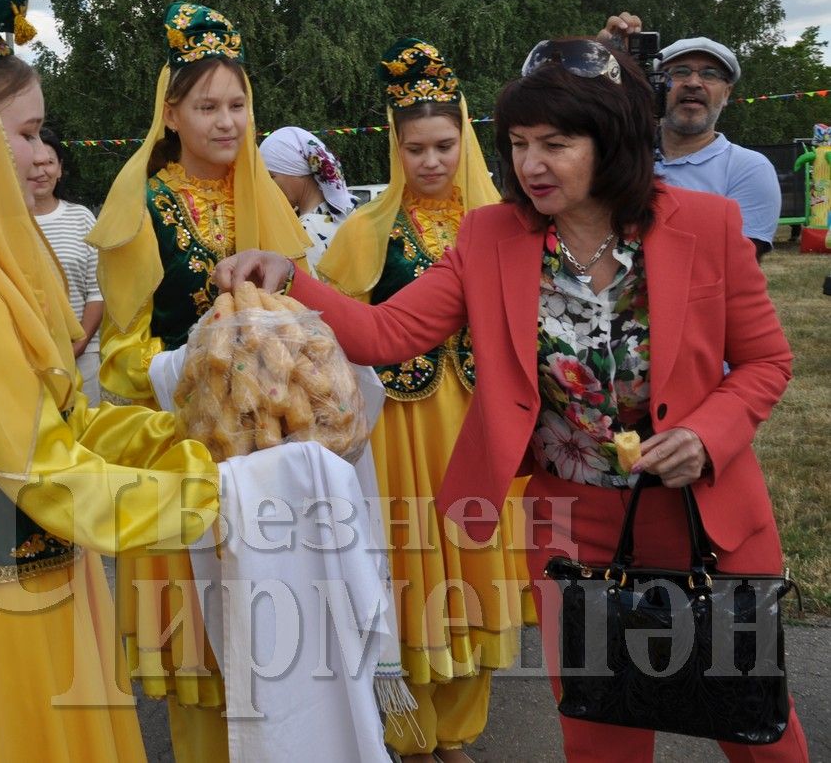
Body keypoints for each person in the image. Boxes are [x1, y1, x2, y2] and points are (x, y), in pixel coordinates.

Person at [213, 37, 809, 762]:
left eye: (555, 143)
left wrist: (709, 435)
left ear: (611, 139)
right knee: (600, 734)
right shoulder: (490, 235)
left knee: (753, 726)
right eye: (519, 143)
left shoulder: (704, 225)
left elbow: (763, 362)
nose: (530, 164)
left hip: (707, 518)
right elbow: (385, 332)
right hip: (576, 526)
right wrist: (289, 277)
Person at [0, 0, 223, 762]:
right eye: (29, 133)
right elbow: (40, 467)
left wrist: (178, 431)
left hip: (37, 570)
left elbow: (68, 416)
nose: (45, 155)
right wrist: (207, 496)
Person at [88, 2, 309, 761]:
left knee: (280, 626)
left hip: (274, 444)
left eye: (238, 104)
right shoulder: (141, 209)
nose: (226, 121)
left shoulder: (270, 201)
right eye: (206, 105)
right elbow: (118, 354)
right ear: (171, 114)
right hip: (188, 444)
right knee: (207, 644)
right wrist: (197, 362)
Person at [315, 39, 525, 761]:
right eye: (414, 149)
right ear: (393, 149)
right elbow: (336, 329)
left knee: (475, 559)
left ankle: (459, 730)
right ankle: (406, 732)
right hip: (400, 430)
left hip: (480, 420)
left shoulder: (506, 224)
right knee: (404, 561)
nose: (430, 161)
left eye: (443, 144)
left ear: (464, 140)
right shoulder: (364, 231)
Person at [600, 15, 780, 257]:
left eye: (710, 74)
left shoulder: (747, 168)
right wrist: (599, 60)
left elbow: (737, 268)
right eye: (680, 72)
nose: (693, 83)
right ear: (656, 86)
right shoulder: (621, 153)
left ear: (726, 94)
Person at [32, 127, 104, 405]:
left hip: (83, 355)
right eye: (34, 163)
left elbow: (97, 292)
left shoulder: (81, 217)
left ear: (60, 169)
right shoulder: (8, 224)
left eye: (49, 163)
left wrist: (77, 345)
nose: (41, 171)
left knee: (86, 436)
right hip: (30, 358)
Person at [259, 126, 355, 271]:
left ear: (297, 171)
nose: (269, 186)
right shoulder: (351, 211)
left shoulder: (302, 233)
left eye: (272, 177)